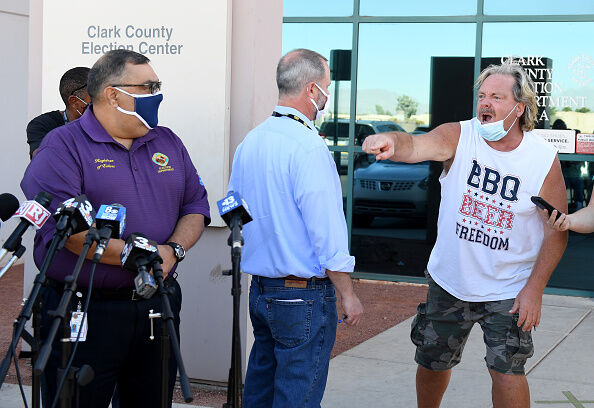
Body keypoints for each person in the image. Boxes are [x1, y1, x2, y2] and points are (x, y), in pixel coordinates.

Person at [363, 62, 567, 408]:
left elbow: (556, 232)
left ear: (520, 107)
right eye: (482, 96)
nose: (485, 103)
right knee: (432, 361)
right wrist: (391, 141)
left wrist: (535, 289)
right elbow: (417, 145)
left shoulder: (543, 159)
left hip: (508, 287)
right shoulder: (460, 135)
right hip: (450, 281)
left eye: (497, 97)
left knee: (508, 371)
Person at [20, 49, 210, 408]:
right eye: (148, 86)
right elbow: (70, 232)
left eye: (158, 86)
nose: (157, 94)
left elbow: (196, 206)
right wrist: (139, 256)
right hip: (84, 309)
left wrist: (172, 251)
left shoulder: (167, 140)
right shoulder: (62, 146)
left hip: (157, 305)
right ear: (112, 93)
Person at [228, 48, 364, 408]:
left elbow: (233, 210)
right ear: (311, 91)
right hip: (303, 295)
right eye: (327, 88)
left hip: (262, 290)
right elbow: (327, 231)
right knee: (297, 396)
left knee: (260, 390)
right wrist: (347, 294)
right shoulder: (309, 148)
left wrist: (267, 241)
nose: (327, 96)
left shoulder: (251, 141)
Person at [26, 66, 91, 159]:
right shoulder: (42, 125)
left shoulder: (108, 125)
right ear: (74, 102)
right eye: (96, 99)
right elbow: (42, 161)